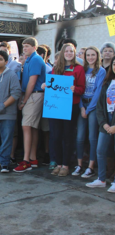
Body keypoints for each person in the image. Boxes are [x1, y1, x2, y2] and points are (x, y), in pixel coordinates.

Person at [42, 43, 85, 177]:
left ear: (74, 53)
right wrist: (45, 85)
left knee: (68, 136)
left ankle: (66, 165)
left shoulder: (78, 69)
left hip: (70, 106)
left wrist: (75, 89)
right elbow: (52, 84)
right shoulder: (56, 68)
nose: (68, 53)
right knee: (55, 136)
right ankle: (58, 163)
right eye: (66, 51)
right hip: (55, 106)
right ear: (62, 53)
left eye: (71, 51)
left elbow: (81, 89)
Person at [14, 37, 46, 172]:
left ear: (34, 47)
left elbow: (32, 83)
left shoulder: (36, 59)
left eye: (27, 46)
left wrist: (24, 100)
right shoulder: (28, 60)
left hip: (35, 94)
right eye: (23, 46)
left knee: (26, 126)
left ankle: (26, 160)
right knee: (32, 128)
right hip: (31, 95)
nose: (25, 48)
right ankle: (32, 158)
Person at [73, 46, 106, 177]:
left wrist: (89, 109)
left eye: (93, 55)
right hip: (82, 105)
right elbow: (80, 89)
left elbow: (98, 92)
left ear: (97, 56)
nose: (90, 57)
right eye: (88, 55)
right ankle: (79, 164)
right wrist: (81, 107)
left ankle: (91, 167)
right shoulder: (82, 69)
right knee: (80, 137)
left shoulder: (101, 71)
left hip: (93, 107)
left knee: (92, 137)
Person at [86, 56, 115, 193]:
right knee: (100, 150)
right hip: (106, 124)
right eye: (114, 64)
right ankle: (101, 179)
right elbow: (100, 106)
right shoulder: (107, 83)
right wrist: (104, 123)